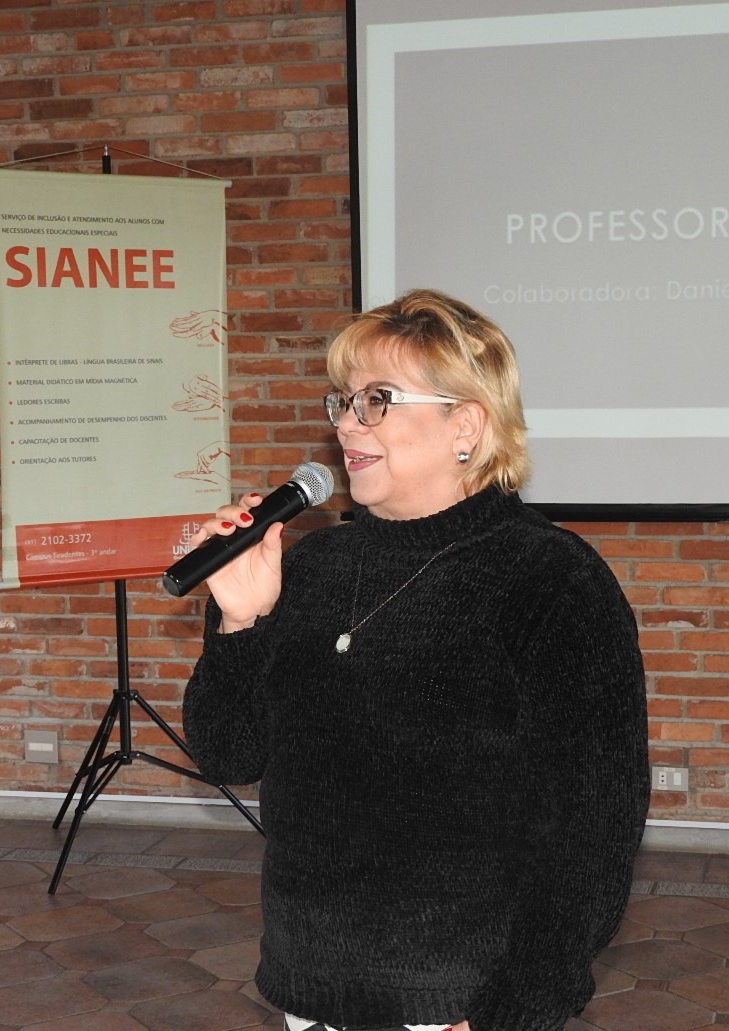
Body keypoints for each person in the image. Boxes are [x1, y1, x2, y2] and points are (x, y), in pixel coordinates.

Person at [180, 289, 649, 1031]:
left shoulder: (552, 581)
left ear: (466, 424)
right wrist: (241, 620)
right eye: (344, 400)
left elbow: (592, 832)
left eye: (378, 399)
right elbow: (227, 754)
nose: (346, 422)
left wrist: (514, 1011)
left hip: (457, 1002)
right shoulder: (312, 567)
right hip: (310, 990)